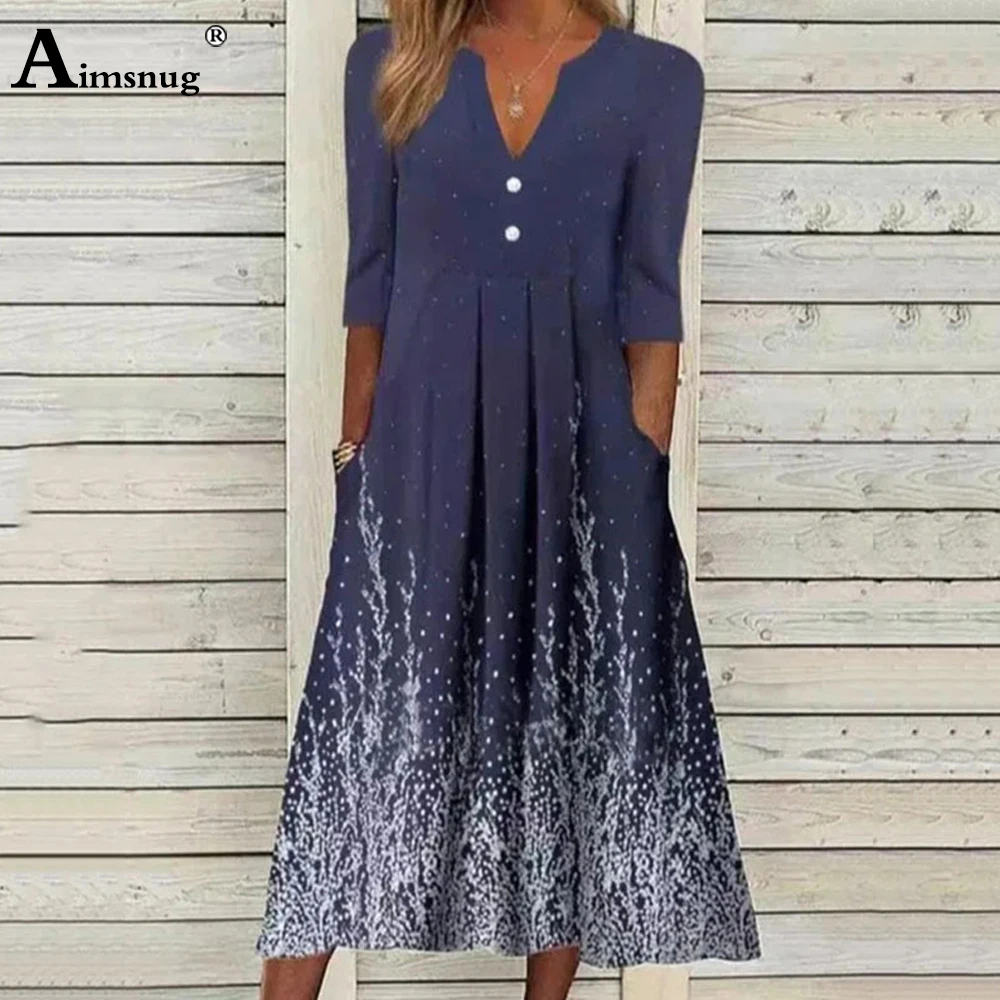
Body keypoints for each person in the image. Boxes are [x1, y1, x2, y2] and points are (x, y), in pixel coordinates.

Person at [256, 1, 762, 997]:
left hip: (590, 458)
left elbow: (651, 300)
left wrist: (638, 470)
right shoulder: (389, 64)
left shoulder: (659, 83)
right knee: (353, 740)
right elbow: (369, 284)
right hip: (417, 453)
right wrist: (356, 458)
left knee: (568, 725)